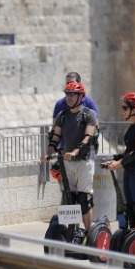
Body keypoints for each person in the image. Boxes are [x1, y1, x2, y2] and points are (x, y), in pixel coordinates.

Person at [41, 82, 98, 234]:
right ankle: (72, 232)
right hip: (67, 162)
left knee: (84, 199)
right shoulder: (63, 115)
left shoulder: (89, 114)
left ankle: (88, 234)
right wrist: (49, 153)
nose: (69, 97)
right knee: (69, 199)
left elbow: (88, 137)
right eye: (67, 94)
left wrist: (74, 152)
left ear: (81, 96)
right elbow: (55, 137)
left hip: (85, 161)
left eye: (72, 94)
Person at [103, 93, 135, 231]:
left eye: (125, 107)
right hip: (129, 170)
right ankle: (133, 238)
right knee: (129, 207)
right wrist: (115, 159)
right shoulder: (132, 125)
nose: (122, 110)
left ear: (134, 110)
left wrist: (119, 163)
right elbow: (128, 150)